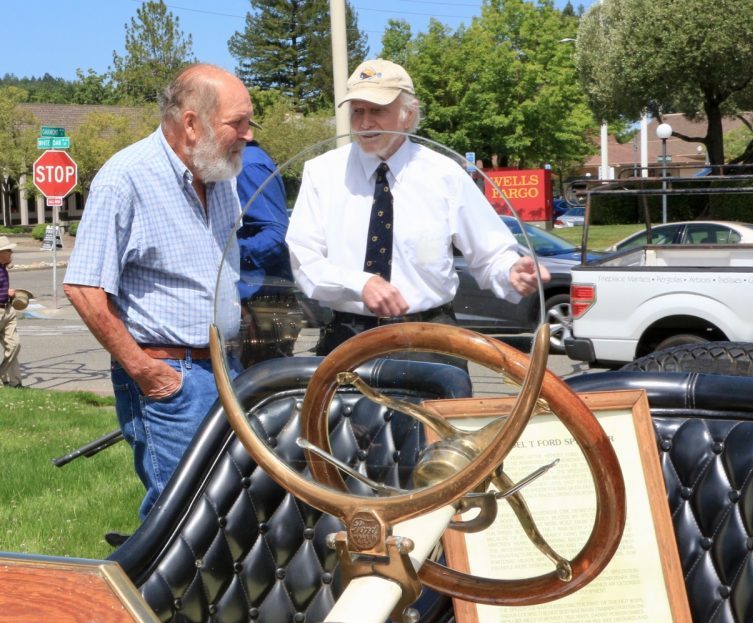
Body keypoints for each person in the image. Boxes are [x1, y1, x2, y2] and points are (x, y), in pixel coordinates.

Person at [64, 63, 254, 522]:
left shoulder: (220, 177)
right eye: (238, 123)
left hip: (224, 368)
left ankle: (208, 594)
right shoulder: (125, 177)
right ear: (192, 123)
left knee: (230, 505)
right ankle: (153, 595)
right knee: (181, 520)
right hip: (172, 377)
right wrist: (147, 373)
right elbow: (83, 288)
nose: (248, 135)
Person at [286, 58, 547, 358]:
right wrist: (361, 284)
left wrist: (512, 272)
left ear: (408, 115)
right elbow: (304, 261)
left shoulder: (444, 174)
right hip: (347, 340)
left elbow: (491, 255)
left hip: (431, 339)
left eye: (378, 110)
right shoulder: (322, 173)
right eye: (357, 111)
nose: (365, 123)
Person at [236, 139, 301, 365]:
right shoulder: (239, 162)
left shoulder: (248, 164)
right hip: (254, 304)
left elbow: (276, 234)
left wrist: (225, 255)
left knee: (256, 395)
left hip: (262, 306)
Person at [0, 236, 22, 388]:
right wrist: (7, 292)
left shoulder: (3, 267)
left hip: (8, 310)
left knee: (14, 345)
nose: (11, 252)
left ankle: (11, 380)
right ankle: (14, 383)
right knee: (12, 347)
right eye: (8, 250)